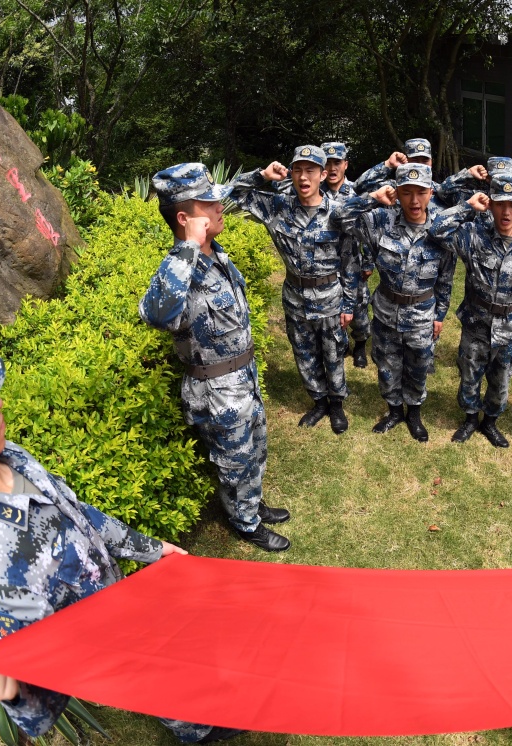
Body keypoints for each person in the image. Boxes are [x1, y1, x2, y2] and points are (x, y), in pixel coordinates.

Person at [0, 342, 244, 743]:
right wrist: (12, 693)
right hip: (127, 660)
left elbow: (77, 513)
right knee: (192, 709)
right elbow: (42, 701)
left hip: (134, 611)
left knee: (199, 665)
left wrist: (150, 549)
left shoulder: (9, 457)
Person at [139, 163, 290, 551]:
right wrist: (187, 245)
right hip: (218, 391)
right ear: (185, 219)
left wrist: (259, 178)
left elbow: (233, 194)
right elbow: (156, 314)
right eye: (208, 203)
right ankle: (245, 522)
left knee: (255, 447)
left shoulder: (216, 255)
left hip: (243, 377)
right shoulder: (178, 270)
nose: (219, 206)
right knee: (234, 460)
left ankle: (252, 503)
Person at [229, 146, 360, 434]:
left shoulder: (338, 213)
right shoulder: (278, 207)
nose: (304, 177)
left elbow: (351, 261)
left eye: (311, 170)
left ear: (323, 174)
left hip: (329, 297)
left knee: (333, 352)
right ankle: (319, 401)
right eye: (298, 170)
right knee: (303, 352)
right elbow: (234, 195)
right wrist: (262, 175)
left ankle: (336, 404)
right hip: (295, 297)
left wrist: (349, 305)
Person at [334, 164, 456, 441]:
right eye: (406, 192)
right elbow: (340, 217)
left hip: (423, 313)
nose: (414, 201)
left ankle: (414, 413)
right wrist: (373, 198)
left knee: (419, 365)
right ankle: (393, 411)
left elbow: (446, 277)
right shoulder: (381, 221)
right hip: (387, 310)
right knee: (387, 365)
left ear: (431, 192)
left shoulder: (440, 229)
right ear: (397, 193)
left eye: (421, 192)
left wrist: (440, 315)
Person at [430, 172, 512, 447]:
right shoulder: (473, 237)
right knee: (469, 375)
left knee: (501, 381)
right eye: (500, 203)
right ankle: (469, 418)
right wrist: (467, 206)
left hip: (510, 326)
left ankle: (490, 422)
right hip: (476, 324)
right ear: (490, 205)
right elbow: (437, 230)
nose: (506, 211)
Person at [322, 141, 370, 367]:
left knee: (358, 308)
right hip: (325, 264)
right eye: (327, 163)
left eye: (337, 163)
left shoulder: (356, 193)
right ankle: (340, 344)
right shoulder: (315, 192)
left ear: (345, 165)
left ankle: (360, 343)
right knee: (331, 309)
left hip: (352, 262)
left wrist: (369, 260)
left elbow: (367, 229)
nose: (332, 168)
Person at [353, 138, 434, 195]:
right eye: (415, 160)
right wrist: (388, 164)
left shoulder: (440, 191)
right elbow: (359, 187)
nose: (420, 165)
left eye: (425, 160)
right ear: (405, 161)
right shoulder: (392, 188)